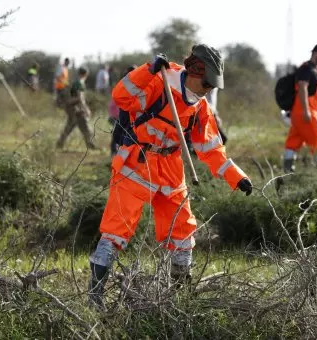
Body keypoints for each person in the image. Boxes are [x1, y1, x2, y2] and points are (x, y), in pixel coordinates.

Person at [87, 44, 253, 309]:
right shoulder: (159, 80)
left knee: (182, 234)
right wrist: (147, 70)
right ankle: (94, 299)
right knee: (115, 232)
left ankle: (178, 301)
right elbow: (122, 98)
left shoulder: (200, 107)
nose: (209, 89)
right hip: (136, 165)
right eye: (207, 83)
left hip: (171, 170)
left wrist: (236, 176)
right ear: (194, 70)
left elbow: (211, 147)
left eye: (213, 85)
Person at [283, 43, 317, 173]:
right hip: (307, 114)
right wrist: (306, 111)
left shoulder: (313, 70)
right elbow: (302, 87)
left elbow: (314, 94)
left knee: (293, 142)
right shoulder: (306, 69)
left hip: (299, 114)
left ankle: (287, 173)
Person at [56, 67, 98, 150]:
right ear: (85, 74)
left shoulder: (74, 82)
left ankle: (60, 143)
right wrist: (85, 109)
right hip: (76, 108)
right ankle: (90, 144)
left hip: (70, 107)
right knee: (85, 126)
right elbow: (80, 97)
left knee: (69, 126)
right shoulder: (80, 83)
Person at [108, 65, 137, 156]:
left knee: (119, 133)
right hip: (120, 114)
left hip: (124, 114)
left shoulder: (126, 83)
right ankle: (115, 152)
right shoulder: (126, 83)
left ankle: (118, 153)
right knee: (118, 133)